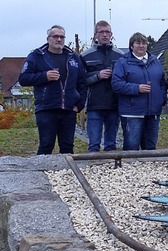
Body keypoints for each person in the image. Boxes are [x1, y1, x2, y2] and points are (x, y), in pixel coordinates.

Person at [18, 25, 87, 155]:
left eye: (62, 37)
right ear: (48, 39)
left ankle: (66, 174)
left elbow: (82, 83)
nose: (59, 39)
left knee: (67, 147)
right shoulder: (36, 56)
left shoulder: (74, 58)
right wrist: (44, 76)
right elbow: (23, 78)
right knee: (46, 145)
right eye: (55, 36)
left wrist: (80, 105)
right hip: (46, 108)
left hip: (68, 109)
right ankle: (42, 173)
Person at [112, 32, 166, 150]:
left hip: (153, 113)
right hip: (132, 113)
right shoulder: (122, 62)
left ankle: (149, 169)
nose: (141, 46)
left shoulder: (155, 61)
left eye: (144, 43)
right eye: (138, 43)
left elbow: (162, 82)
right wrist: (137, 88)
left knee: (150, 148)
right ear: (132, 46)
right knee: (132, 147)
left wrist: (161, 100)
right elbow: (116, 84)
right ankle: (130, 168)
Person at [81, 20, 124, 152]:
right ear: (95, 35)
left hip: (114, 105)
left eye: (107, 32)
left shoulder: (121, 55)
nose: (105, 35)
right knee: (93, 145)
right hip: (94, 105)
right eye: (101, 32)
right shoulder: (85, 55)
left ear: (112, 34)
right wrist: (97, 76)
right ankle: (93, 169)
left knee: (111, 146)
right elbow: (80, 80)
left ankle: (110, 171)